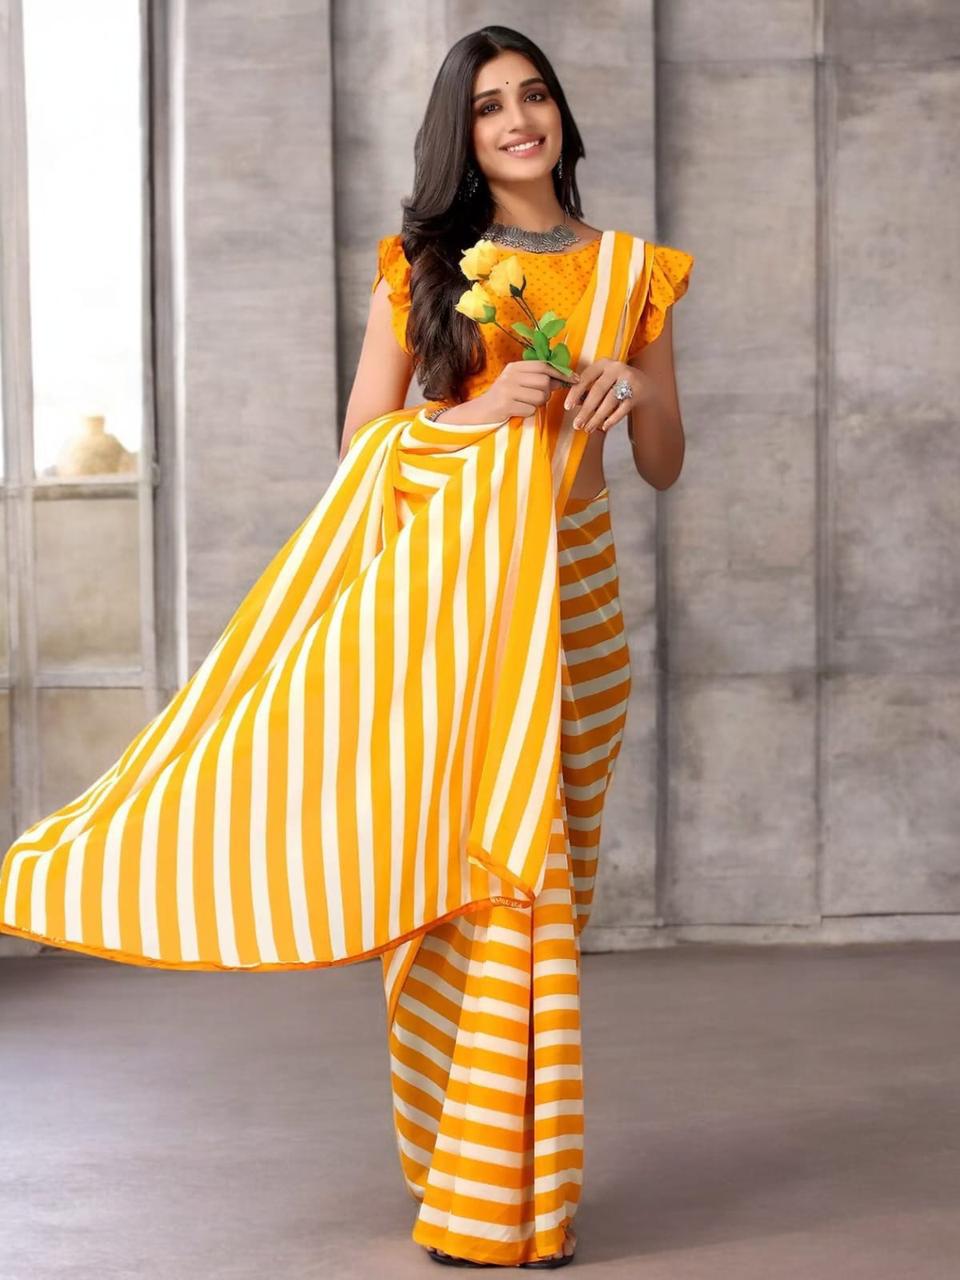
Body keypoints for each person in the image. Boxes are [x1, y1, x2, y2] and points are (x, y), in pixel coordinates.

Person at [0, 23, 693, 1271]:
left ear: (562, 118)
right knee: (472, 878)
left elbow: (660, 463)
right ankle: (480, 1195)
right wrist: (479, 412)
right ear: (462, 133)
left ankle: (514, 1176)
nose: (518, 119)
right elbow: (361, 448)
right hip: (452, 625)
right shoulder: (423, 265)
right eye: (489, 106)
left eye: (534, 96)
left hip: (574, 610)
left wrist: (630, 392)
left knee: (548, 892)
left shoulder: (636, 271)